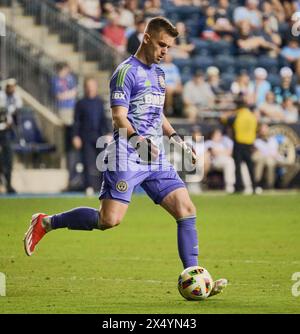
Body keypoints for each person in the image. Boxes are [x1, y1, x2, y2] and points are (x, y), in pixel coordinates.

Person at [23, 16, 227, 296]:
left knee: (186, 209)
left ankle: (196, 278)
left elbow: (158, 115)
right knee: (109, 220)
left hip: (154, 156)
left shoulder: (159, 73)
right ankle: (46, 222)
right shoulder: (125, 72)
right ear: (146, 38)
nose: (165, 51)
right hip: (126, 153)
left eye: (169, 47)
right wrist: (138, 141)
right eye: (161, 45)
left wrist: (178, 141)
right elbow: (119, 117)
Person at [72, 77, 111, 195]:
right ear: (85, 87)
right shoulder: (80, 103)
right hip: (85, 137)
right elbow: (76, 121)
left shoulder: (99, 102)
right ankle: (88, 186)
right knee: (87, 162)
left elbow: (104, 119)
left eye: (92, 86)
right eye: (88, 86)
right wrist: (75, 136)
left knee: (104, 162)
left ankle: (103, 186)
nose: (90, 88)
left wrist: (109, 133)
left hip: (99, 136)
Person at [222, 93, 257, 193]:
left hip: (239, 143)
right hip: (250, 144)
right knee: (250, 166)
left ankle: (238, 187)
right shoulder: (251, 116)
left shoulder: (237, 115)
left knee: (237, 166)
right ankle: (254, 186)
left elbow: (224, 120)